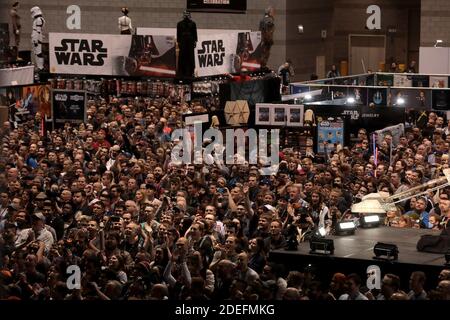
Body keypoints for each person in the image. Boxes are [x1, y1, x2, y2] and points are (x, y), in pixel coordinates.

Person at [177, 11, 197, 80]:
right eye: (185, 15)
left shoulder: (193, 23)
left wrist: (195, 41)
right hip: (183, 41)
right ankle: (181, 72)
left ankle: (191, 71)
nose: (186, 16)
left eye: (187, 15)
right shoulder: (179, 24)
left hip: (190, 41)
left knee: (190, 56)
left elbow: (195, 33)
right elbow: (178, 33)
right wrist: (178, 42)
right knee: (182, 56)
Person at [30, 6, 45, 71]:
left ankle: (40, 67)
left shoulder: (39, 19)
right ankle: (39, 66)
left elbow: (38, 31)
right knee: (36, 52)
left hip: (37, 37)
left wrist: (36, 39)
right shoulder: (39, 19)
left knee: (38, 53)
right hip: (36, 36)